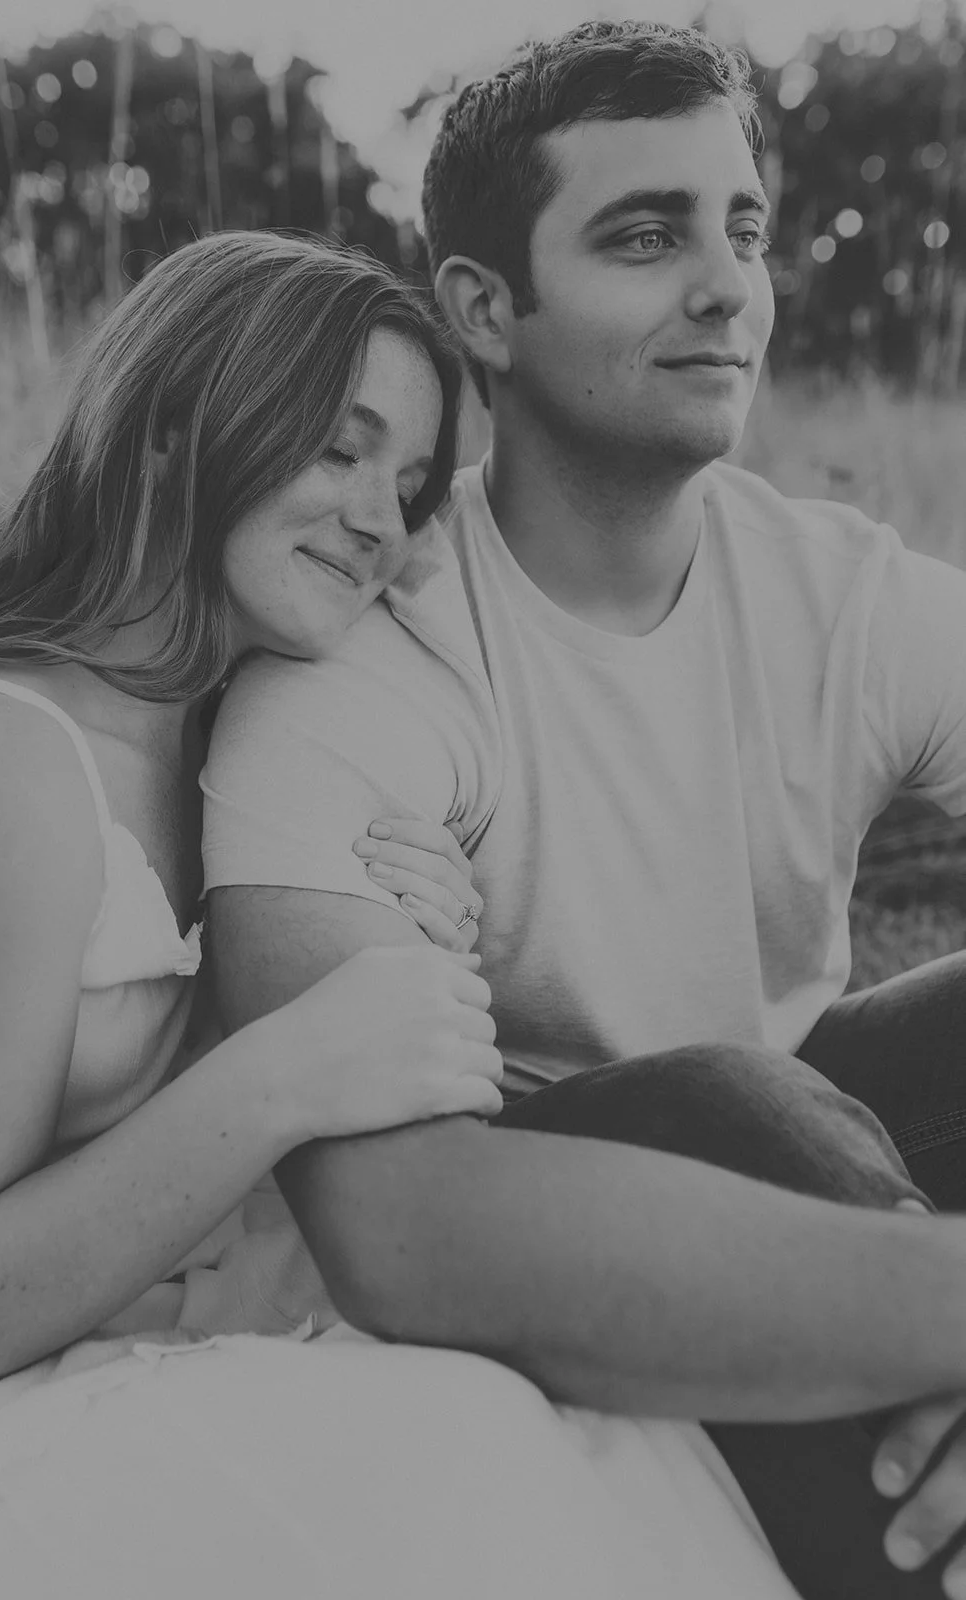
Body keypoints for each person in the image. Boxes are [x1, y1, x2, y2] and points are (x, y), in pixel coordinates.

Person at [202, 22, 966, 1600]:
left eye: (739, 228)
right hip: (556, 1186)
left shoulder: (843, 599)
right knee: (729, 1110)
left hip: (825, 1150)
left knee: (817, 1083)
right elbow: (396, 1225)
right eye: (643, 235)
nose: (725, 287)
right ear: (483, 306)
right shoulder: (367, 666)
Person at [0, 231, 659, 1600]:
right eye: (337, 447)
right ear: (172, 430)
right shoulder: (5, 758)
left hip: (184, 1326)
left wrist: (403, 944)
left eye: (413, 480)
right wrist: (290, 1066)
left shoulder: (238, 753)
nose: (384, 517)